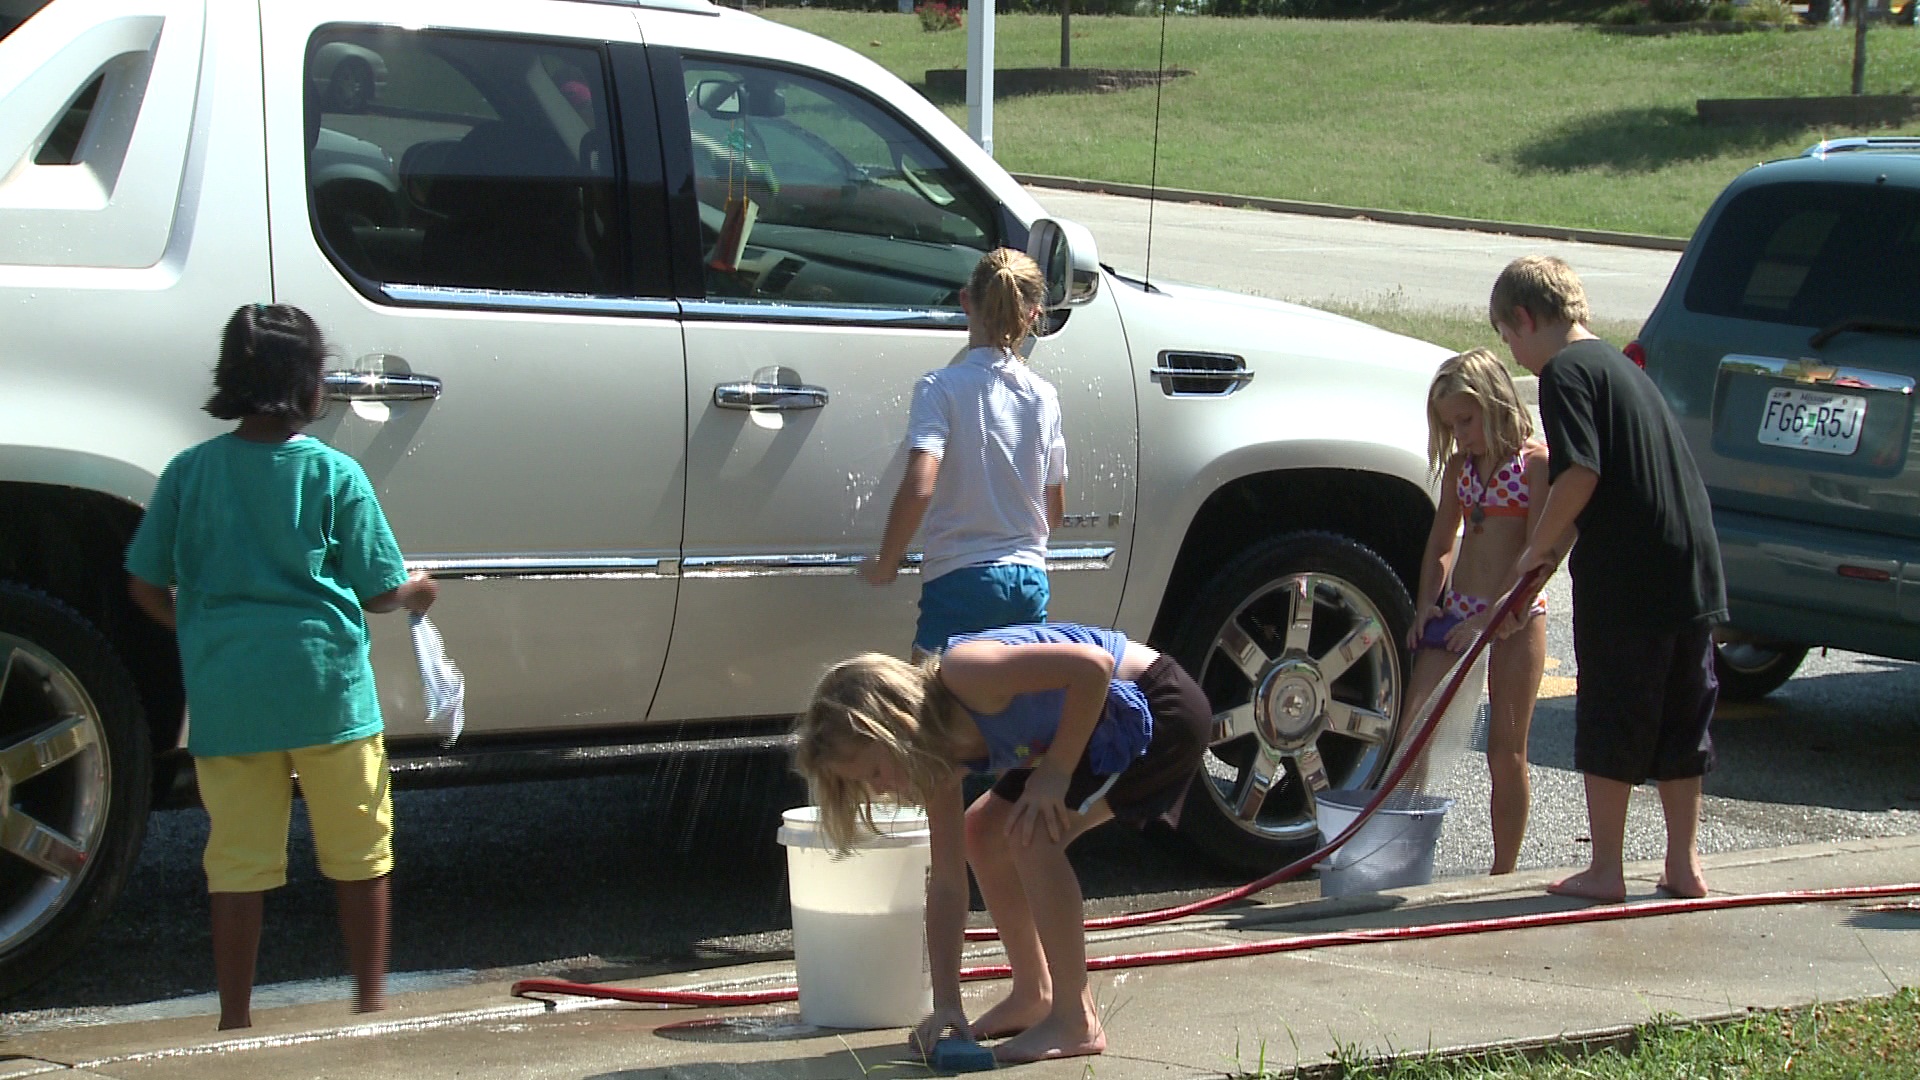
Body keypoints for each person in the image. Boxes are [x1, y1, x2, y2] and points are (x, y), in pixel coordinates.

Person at [124, 304, 438, 1029]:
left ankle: (236, 1018)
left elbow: (144, 581)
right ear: (309, 384)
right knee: (360, 850)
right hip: (328, 695)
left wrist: (197, 628)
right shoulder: (336, 475)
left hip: (230, 698)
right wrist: (421, 589)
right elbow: (380, 590)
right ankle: (368, 1003)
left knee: (237, 864)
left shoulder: (189, 473)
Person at [793, 623, 1210, 1065]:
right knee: (983, 832)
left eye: (876, 772)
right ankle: (1034, 993)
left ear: (896, 726)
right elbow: (949, 883)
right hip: (1089, 726)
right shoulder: (936, 761)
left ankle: (1076, 1019)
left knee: (1028, 834)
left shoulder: (966, 673)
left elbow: (1094, 668)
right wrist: (948, 1006)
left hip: (1156, 708)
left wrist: (1056, 772)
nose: (882, 790)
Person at [1493, 255, 1727, 903]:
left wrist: (1530, 550)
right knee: (1684, 717)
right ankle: (1684, 866)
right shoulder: (1623, 369)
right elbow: (1593, 494)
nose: (1513, 350)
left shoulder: (1565, 373)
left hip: (1630, 576)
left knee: (1612, 715)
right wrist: (1539, 566)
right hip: (1690, 563)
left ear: (1524, 317)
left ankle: (1606, 870)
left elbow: (1580, 476)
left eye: (1508, 337)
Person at [861, 248, 1066, 656]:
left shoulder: (940, 388)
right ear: (1033, 315)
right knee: (1010, 710)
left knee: (934, 710)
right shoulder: (1044, 397)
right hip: (1027, 580)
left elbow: (920, 488)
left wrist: (887, 563)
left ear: (965, 301)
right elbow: (1053, 511)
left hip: (959, 579)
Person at [1402, 348, 1551, 876]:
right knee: (1412, 737)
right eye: (1451, 426)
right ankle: (1401, 852)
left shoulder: (1535, 464)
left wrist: (1495, 619)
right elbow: (1443, 540)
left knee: (1506, 750)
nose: (1461, 435)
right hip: (1460, 610)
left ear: (1495, 402)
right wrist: (1429, 603)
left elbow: (1539, 551)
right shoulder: (1462, 470)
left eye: (1466, 420)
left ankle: (1503, 871)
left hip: (1515, 615)